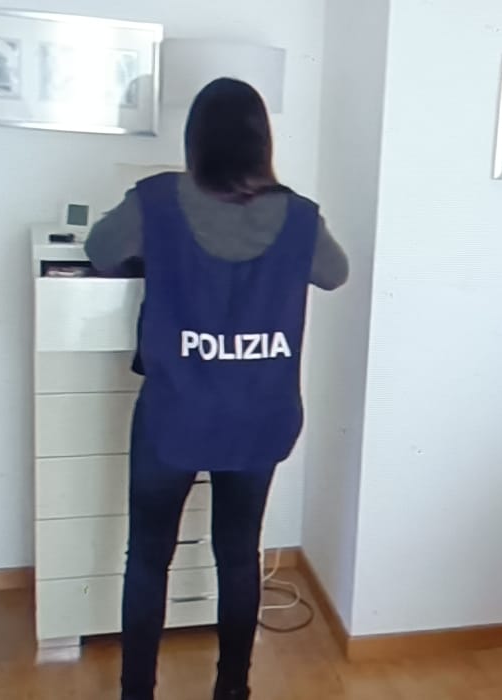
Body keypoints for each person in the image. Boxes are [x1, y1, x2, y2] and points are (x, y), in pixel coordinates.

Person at [84, 77, 349, 700]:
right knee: (238, 553)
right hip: (259, 414)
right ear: (262, 141)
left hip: (174, 412)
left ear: (195, 139)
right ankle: (232, 690)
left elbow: (100, 251)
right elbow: (334, 274)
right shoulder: (300, 215)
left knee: (148, 556)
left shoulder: (156, 200)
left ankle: (136, 693)